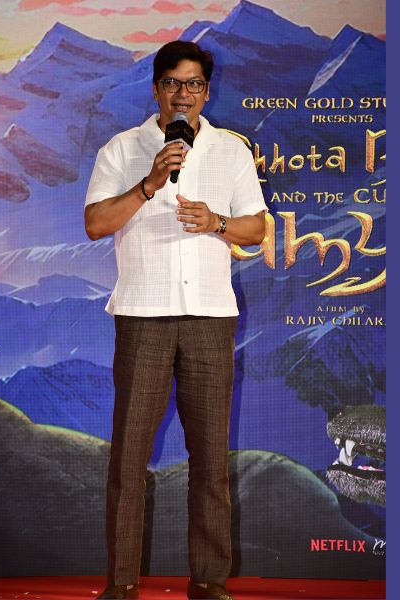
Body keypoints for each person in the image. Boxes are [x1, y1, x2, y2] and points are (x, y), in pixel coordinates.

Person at [84, 40, 267, 600]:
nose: (183, 94)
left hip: (210, 318)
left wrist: (216, 223)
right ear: (156, 89)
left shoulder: (231, 152)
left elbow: (256, 228)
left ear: (206, 91)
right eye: (172, 83)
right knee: (129, 458)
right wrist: (148, 184)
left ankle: (209, 581)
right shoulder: (122, 149)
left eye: (194, 84)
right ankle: (121, 583)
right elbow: (95, 224)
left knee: (210, 459)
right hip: (143, 316)